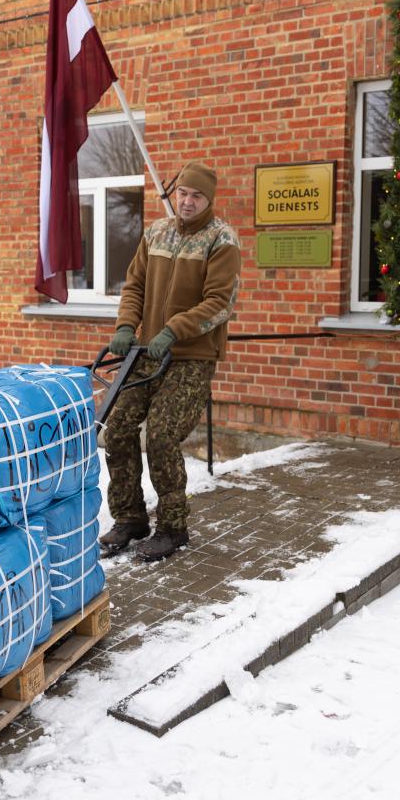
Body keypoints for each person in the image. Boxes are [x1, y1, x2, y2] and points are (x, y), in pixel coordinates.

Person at [98, 161, 241, 562]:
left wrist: (174, 330)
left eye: (196, 196)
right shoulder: (156, 233)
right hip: (147, 352)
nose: (188, 201)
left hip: (191, 356)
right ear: (175, 194)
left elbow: (219, 303)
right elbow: (135, 287)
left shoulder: (221, 239)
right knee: (119, 429)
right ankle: (130, 519)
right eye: (183, 193)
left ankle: (173, 527)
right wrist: (127, 326)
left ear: (208, 200)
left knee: (160, 436)